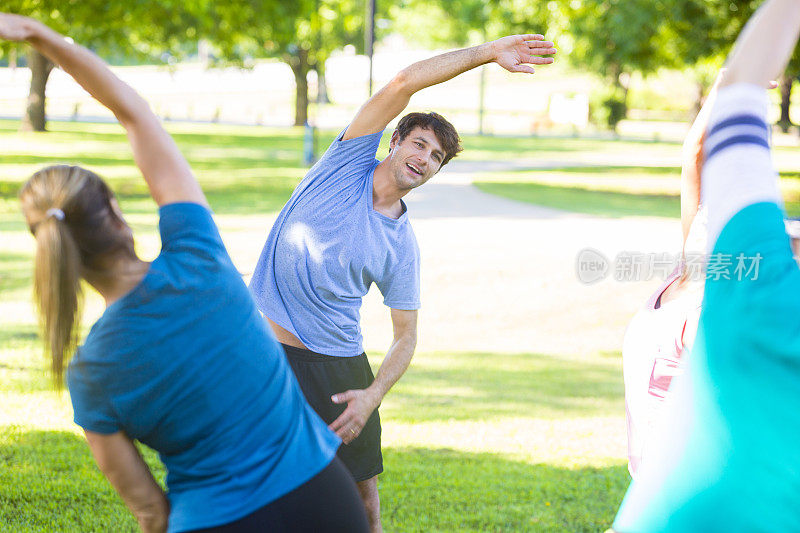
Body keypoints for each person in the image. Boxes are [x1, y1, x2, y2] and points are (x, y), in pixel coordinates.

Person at [1, 14, 369, 533]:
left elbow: (150, 511)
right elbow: (134, 115)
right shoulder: (198, 256)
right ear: (114, 209)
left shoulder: (89, 374)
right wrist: (37, 33)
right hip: (321, 497)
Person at [248, 35, 556, 530]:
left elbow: (406, 337)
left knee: (361, 495)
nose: (424, 158)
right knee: (251, 478)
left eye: (436, 157)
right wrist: (486, 53)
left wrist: (370, 397)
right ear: (395, 141)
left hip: (335, 368)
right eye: (419, 143)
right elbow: (405, 82)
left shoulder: (400, 244)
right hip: (261, 347)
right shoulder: (344, 163)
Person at [613, 0, 800, 530]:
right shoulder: (690, 271)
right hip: (654, 483)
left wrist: (744, 79)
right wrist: (725, 87)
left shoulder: (728, 306)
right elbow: (693, 155)